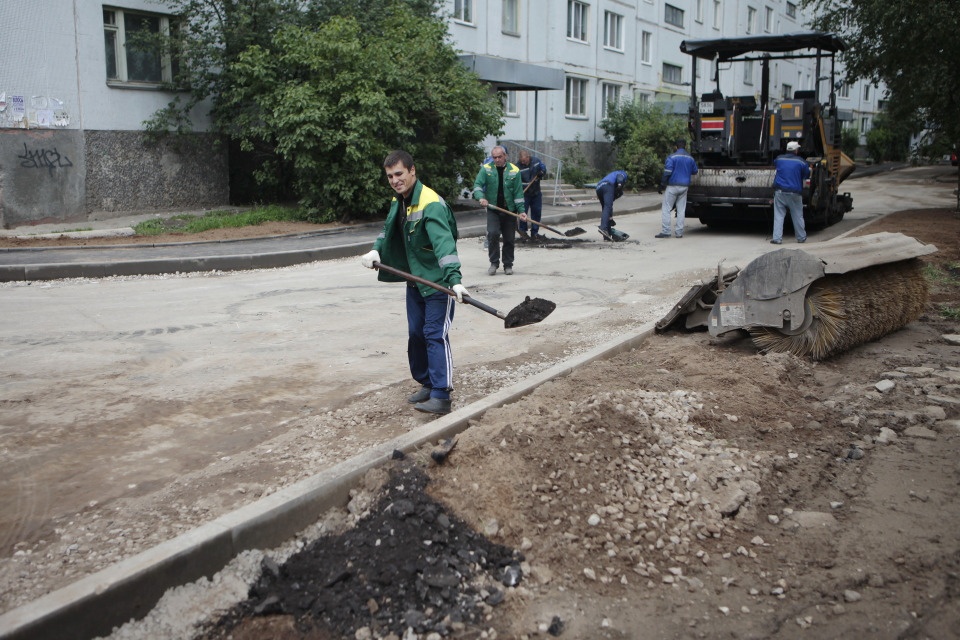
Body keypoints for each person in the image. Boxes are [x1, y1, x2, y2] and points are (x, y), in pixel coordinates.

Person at [360, 150, 469, 416]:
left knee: (435, 334)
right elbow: (389, 229)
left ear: (412, 171)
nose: (395, 180)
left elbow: (444, 245)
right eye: (389, 176)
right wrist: (377, 249)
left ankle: (441, 395)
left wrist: (454, 280)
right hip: (414, 282)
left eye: (399, 174)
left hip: (436, 284)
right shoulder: (400, 200)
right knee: (416, 334)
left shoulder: (429, 203)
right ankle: (428, 383)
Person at [473, 145, 527, 275]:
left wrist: (521, 211)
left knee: (509, 239)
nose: (497, 160)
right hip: (493, 209)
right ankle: (494, 263)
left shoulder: (514, 170)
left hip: (509, 210)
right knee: (493, 234)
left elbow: (518, 193)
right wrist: (481, 198)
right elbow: (477, 185)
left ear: (505, 156)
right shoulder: (486, 169)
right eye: (494, 157)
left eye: (499, 157)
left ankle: (508, 265)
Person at [656, 139, 699, 239]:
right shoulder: (690, 158)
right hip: (684, 187)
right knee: (681, 209)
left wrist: (662, 184)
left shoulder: (672, 157)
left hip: (673, 186)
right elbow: (695, 171)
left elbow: (667, 171)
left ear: (676, 147)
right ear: (685, 147)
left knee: (666, 208)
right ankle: (679, 233)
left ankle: (666, 231)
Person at [771, 140, 811, 244]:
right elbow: (806, 175)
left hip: (779, 192)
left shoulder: (779, 159)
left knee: (779, 216)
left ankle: (777, 239)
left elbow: (776, 165)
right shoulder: (802, 162)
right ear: (796, 150)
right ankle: (801, 237)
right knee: (797, 215)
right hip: (794, 193)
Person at [517, 150, 547, 240]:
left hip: (536, 192)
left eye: (525, 161)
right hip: (525, 194)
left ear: (528, 157)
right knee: (523, 213)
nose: (523, 163)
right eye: (522, 161)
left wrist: (542, 172)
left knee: (536, 212)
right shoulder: (517, 167)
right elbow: (516, 181)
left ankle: (535, 233)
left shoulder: (536, 161)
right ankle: (523, 232)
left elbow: (543, 168)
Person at [595, 169, 628, 241]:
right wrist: (620, 184)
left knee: (606, 208)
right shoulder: (622, 173)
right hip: (607, 186)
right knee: (608, 207)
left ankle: (607, 234)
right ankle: (603, 228)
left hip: (598, 188)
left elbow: (609, 208)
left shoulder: (611, 175)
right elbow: (620, 177)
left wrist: (611, 218)